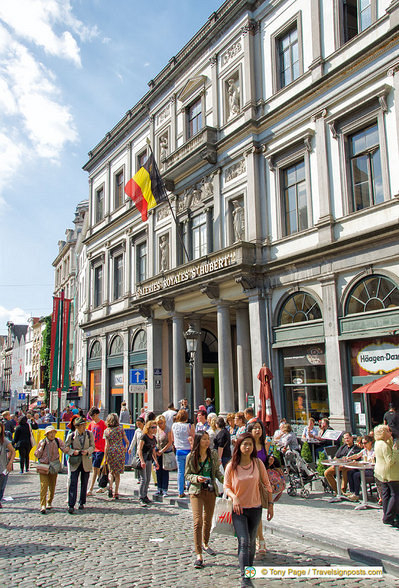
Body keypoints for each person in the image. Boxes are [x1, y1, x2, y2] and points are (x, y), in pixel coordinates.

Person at [224, 433, 273, 588]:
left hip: (256, 507)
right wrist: (234, 497)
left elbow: (267, 483)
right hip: (239, 509)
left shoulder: (257, 463)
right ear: (239, 446)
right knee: (244, 541)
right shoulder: (232, 465)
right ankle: (245, 579)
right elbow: (226, 486)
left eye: (250, 445)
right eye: (244, 444)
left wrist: (270, 504)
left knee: (251, 542)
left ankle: (248, 572)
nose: (247, 447)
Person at [185, 431, 224, 569]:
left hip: (210, 490)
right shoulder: (191, 456)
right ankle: (198, 554)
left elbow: (217, 472)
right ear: (198, 441)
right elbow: (187, 475)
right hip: (196, 491)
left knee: (208, 520)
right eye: (204, 439)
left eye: (208, 439)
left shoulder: (212, 455)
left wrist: (226, 481)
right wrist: (197, 478)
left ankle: (206, 543)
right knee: (198, 521)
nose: (207, 442)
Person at [247, 421, 271, 556]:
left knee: (258, 511)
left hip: (261, 483)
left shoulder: (265, 445)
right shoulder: (247, 445)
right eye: (255, 428)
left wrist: (271, 460)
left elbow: (266, 462)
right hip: (249, 482)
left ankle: (259, 539)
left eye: (259, 428)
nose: (258, 430)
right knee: (253, 512)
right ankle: (258, 539)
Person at [65, 417, 95, 513]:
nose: (83, 427)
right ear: (77, 427)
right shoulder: (71, 435)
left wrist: (87, 451)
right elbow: (65, 448)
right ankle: (71, 504)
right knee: (73, 482)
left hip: (85, 460)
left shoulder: (89, 434)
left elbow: (93, 446)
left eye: (84, 425)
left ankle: (82, 502)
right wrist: (73, 451)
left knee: (84, 482)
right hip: (75, 461)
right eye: (81, 426)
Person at [34, 425, 67, 514]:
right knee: (44, 485)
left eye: (53, 432)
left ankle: (49, 501)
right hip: (44, 466)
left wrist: (69, 450)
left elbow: (64, 449)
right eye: (50, 433)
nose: (52, 434)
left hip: (54, 466)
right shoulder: (42, 442)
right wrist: (41, 448)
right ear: (47, 434)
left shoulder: (58, 441)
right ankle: (42, 505)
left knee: (52, 485)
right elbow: (36, 454)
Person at [374, 424, 399, 527]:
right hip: (389, 473)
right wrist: (396, 451)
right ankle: (388, 517)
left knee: (386, 494)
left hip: (380, 472)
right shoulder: (383, 445)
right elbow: (389, 461)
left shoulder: (378, 443)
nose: (390, 433)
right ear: (384, 433)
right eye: (388, 431)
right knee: (395, 494)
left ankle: (387, 515)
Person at [104, 413, 129, 500]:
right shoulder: (120, 429)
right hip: (119, 451)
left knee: (111, 472)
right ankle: (116, 492)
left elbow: (106, 445)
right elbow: (127, 441)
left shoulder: (107, 431)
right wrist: (125, 448)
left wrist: (105, 457)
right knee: (117, 474)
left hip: (111, 451)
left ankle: (110, 486)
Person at [171, 409, 195, 498]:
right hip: (188, 450)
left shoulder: (174, 426)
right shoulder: (188, 426)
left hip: (179, 450)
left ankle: (180, 491)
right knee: (189, 470)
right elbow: (193, 437)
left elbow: (172, 438)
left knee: (180, 472)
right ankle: (189, 489)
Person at [346, 435, 375, 502]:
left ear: (370, 442)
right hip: (364, 468)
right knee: (350, 472)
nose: (363, 445)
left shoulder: (374, 451)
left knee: (356, 475)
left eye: (365, 443)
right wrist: (349, 458)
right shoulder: (364, 450)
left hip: (372, 470)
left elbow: (371, 460)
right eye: (362, 443)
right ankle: (352, 491)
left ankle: (357, 494)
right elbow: (357, 455)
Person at [138, 420, 159, 505]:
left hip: (149, 459)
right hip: (143, 459)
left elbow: (153, 450)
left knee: (148, 479)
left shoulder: (153, 438)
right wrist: (142, 460)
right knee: (143, 479)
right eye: (153, 427)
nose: (154, 429)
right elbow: (140, 449)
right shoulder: (144, 437)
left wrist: (156, 461)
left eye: (155, 427)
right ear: (148, 428)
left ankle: (145, 495)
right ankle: (141, 497)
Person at [87, 407, 107, 496]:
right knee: (96, 468)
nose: (92, 418)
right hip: (93, 449)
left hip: (101, 449)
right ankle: (103, 484)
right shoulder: (91, 424)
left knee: (95, 468)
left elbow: (107, 436)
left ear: (97, 414)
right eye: (91, 416)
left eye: (94, 416)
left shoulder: (103, 424)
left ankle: (90, 488)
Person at [155, 414, 173, 496]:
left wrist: (162, 450)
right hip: (157, 452)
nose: (159, 425)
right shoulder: (157, 429)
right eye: (158, 423)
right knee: (158, 470)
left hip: (165, 452)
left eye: (161, 423)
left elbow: (170, 442)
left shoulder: (168, 429)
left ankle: (165, 489)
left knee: (165, 470)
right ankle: (159, 488)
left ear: (164, 422)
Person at [0, 421, 16, 509]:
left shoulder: (4, 440)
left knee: (1, 487)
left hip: (3, 467)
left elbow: (13, 451)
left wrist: (10, 462)